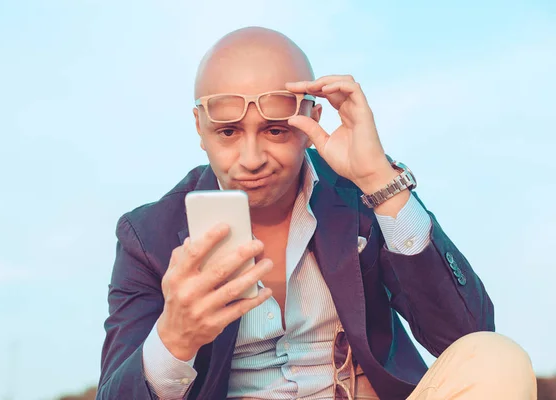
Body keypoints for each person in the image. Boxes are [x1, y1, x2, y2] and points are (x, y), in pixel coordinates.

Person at [97, 27, 537, 400]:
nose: (251, 158)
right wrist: (174, 338)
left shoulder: (358, 193)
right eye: (228, 132)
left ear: (311, 118)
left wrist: (381, 183)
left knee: (499, 359)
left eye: (275, 130)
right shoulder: (147, 236)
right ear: (200, 129)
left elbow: (467, 335)